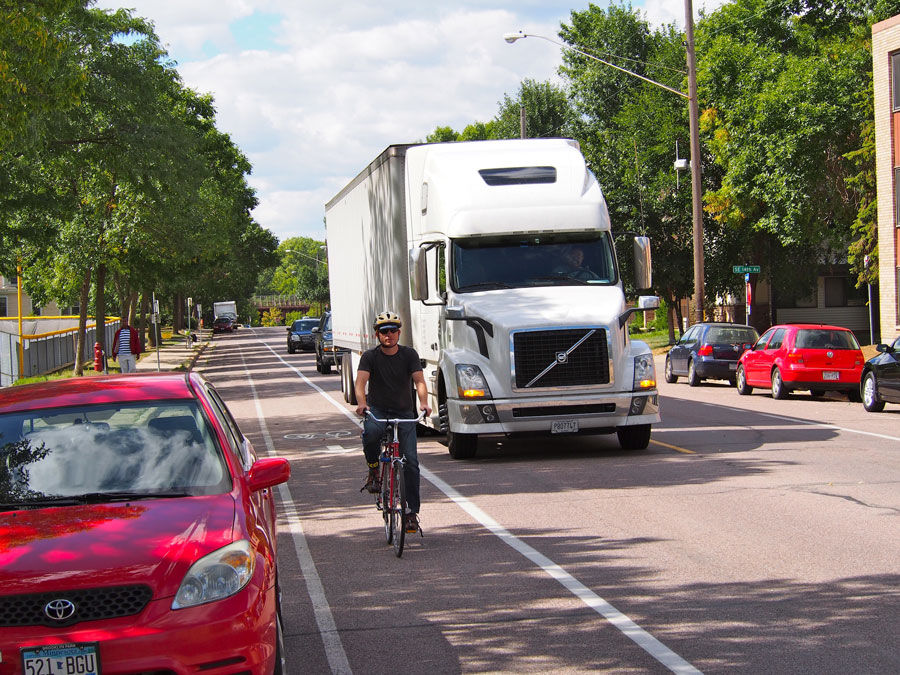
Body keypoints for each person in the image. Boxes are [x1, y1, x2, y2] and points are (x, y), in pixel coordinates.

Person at [355, 310, 431, 533]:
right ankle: (373, 470)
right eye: (384, 331)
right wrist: (362, 403)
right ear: (377, 334)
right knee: (370, 435)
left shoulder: (409, 355)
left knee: (411, 462)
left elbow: (419, 382)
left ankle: (410, 513)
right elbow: (360, 383)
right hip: (378, 410)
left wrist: (424, 403)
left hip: (404, 413)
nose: (389, 335)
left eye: (393, 330)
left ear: (399, 332)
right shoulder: (370, 357)